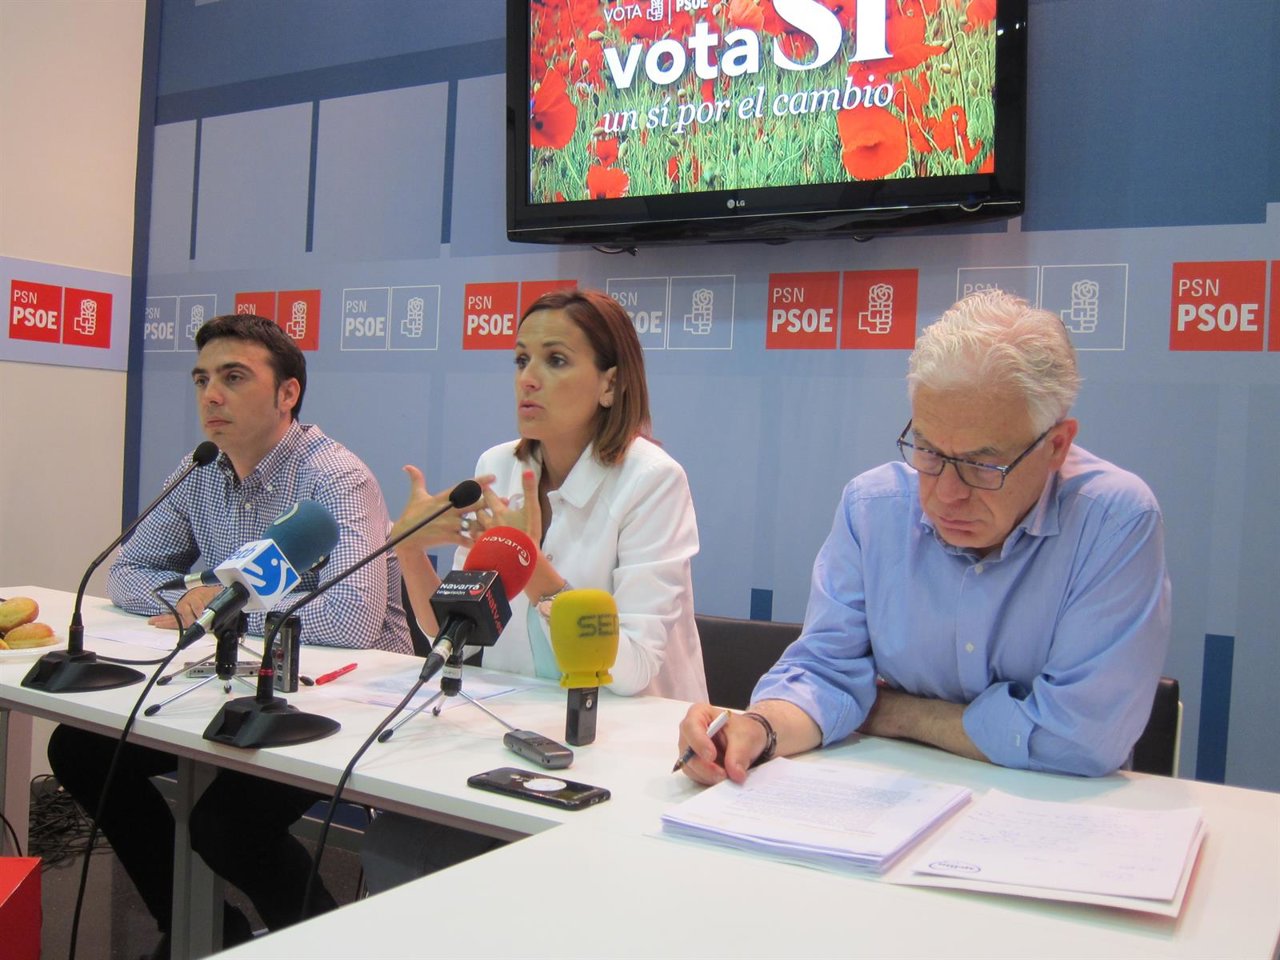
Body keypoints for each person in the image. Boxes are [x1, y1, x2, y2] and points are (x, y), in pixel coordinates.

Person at [678, 289, 1171, 785]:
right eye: (929, 452)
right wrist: (757, 728)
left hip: (1053, 817)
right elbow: (825, 675)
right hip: (893, 805)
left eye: (982, 464)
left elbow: (1079, 740)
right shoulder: (873, 509)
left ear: (1057, 446)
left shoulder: (1113, 521)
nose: (946, 493)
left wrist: (897, 713)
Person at [48, 313, 410, 955]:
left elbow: (352, 621)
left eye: (233, 377)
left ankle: (322, 945)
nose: (211, 396)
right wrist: (193, 604)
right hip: (237, 681)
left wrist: (223, 605)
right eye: (202, 379)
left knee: (226, 824)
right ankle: (203, 926)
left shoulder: (335, 478)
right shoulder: (202, 467)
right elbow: (129, 570)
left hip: (346, 699)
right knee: (82, 751)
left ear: (287, 392)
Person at [361, 287, 706, 887]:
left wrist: (533, 566)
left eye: (556, 360)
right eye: (521, 360)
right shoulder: (499, 465)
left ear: (610, 384)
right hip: (516, 731)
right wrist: (410, 547)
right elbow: (457, 638)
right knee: (402, 841)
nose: (529, 379)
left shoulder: (652, 481)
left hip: (623, 746)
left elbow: (631, 668)